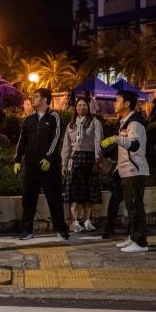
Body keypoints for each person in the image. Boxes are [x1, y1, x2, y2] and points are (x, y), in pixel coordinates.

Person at [14, 88, 69, 240]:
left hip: (49, 166)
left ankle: (61, 229)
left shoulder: (54, 117)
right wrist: (18, 158)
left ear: (45, 100)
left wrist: (48, 157)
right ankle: (26, 230)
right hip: (31, 166)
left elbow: (56, 138)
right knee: (28, 198)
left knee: (54, 198)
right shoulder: (29, 120)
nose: (33, 98)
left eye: (36, 96)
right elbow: (22, 140)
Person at [101, 90, 149, 253]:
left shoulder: (134, 122)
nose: (114, 103)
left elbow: (134, 145)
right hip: (126, 170)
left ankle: (141, 242)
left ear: (127, 104)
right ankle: (133, 237)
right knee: (131, 206)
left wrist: (116, 139)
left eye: (118, 100)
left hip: (135, 170)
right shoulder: (124, 121)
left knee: (136, 207)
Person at [61, 98, 103, 233]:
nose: (81, 108)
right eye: (79, 105)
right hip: (75, 159)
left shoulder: (95, 123)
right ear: (75, 108)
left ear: (88, 107)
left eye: (84, 105)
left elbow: (98, 141)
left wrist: (97, 160)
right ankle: (74, 222)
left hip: (90, 158)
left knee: (89, 191)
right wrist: (64, 163)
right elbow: (66, 146)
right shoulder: (71, 125)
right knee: (74, 192)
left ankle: (87, 220)